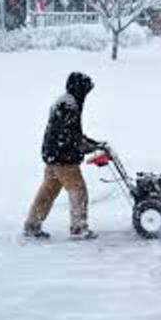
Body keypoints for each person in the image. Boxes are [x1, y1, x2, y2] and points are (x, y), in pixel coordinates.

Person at [23, 72, 102, 239]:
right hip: (63, 159)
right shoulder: (69, 106)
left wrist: (91, 143)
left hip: (53, 156)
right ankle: (79, 227)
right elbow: (68, 136)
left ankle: (32, 225)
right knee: (78, 190)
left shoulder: (65, 102)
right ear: (79, 88)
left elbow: (72, 134)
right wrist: (84, 147)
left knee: (48, 192)